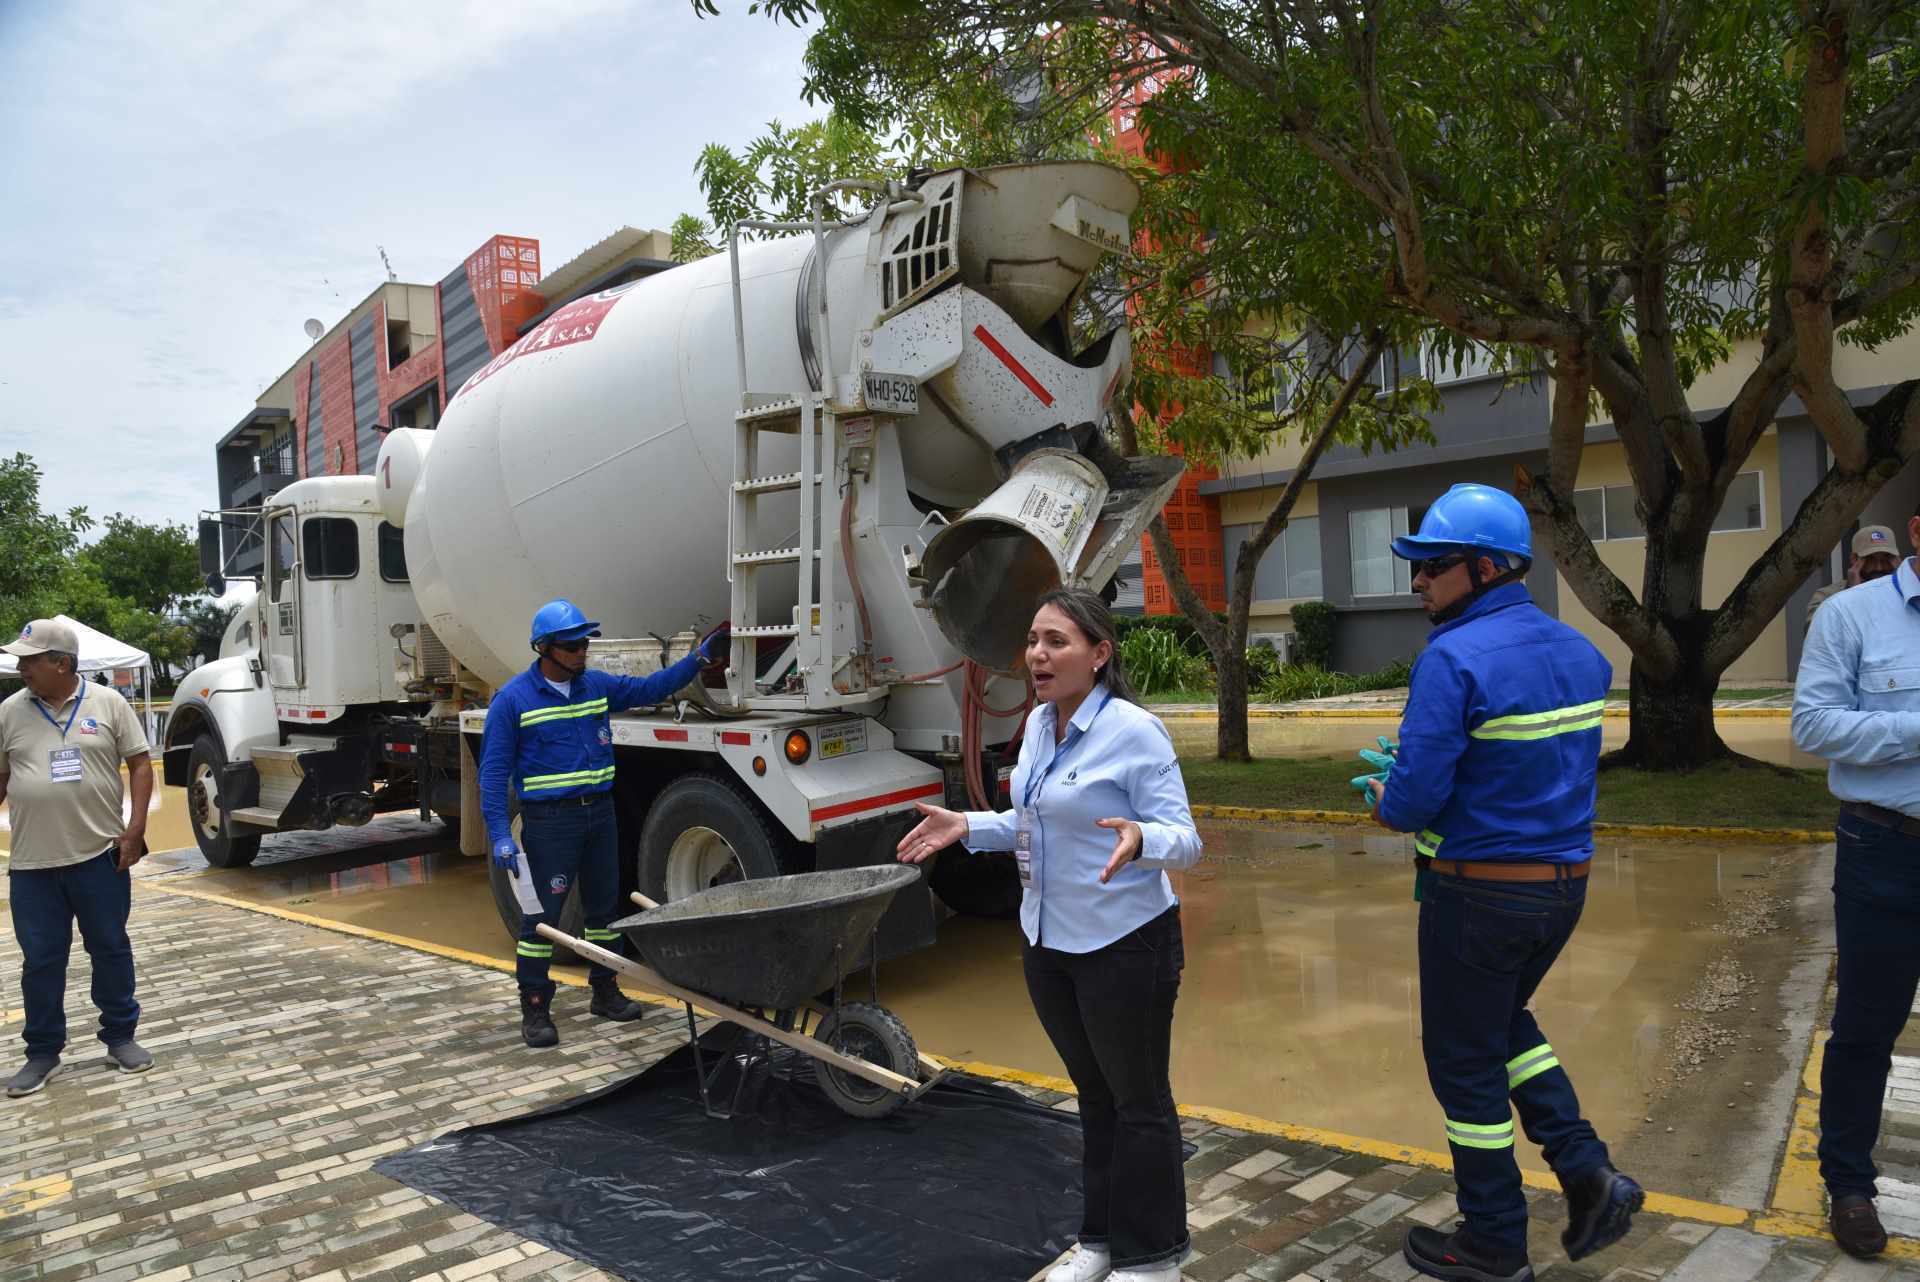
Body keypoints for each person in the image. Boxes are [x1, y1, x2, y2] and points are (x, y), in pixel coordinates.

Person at [1363, 485, 1641, 1282]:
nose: (1418, 581)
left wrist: (1390, 794)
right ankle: (1588, 1175)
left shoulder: (1449, 658)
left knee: (1464, 1062)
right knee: (1501, 1022)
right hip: (1562, 890)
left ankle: (1492, 1239)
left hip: (1476, 897)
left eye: (1431, 566)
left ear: (1483, 568)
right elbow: (1523, 772)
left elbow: (1414, 804)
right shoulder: (1580, 655)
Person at [897, 586, 1202, 1282]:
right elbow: (1035, 825)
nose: (1038, 653)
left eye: (1056, 641)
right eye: (1034, 639)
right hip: (1048, 944)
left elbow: (1187, 842)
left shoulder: (1134, 731)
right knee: (1093, 1097)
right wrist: (967, 826)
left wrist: (1141, 836)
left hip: (1126, 945)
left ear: (1099, 654)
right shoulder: (1038, 726)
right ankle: (1101, 1240)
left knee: (1139, 1101)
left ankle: (1155, 1257)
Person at [481, 600, 728, 1048]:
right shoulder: (513, 700)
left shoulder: (594, 685)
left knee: (603, 912)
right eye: (573, 645)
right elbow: (493, 775)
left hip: (599, 815)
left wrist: (698, 660)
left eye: (585, 643)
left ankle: (605, 990)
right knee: (541, 920)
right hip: (551, 823)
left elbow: (652, 688)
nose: (583, 652)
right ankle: (535, 1007)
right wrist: (500, 834)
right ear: (545, 648)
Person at [1789, 502, 1920, 1260]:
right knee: (1867, 1029)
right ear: (1916, 529)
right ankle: (1849, 1184)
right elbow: (1812, 725)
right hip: (1884, 848)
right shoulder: (1851, 616)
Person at [1, 618, 155, 1098]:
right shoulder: (8, 711)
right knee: (41, 961)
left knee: (110, 947)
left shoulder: (108, 703)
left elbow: (141, 763)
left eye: (31, 659)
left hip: (98, 857)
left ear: (61, 663)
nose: (21, 667)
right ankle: (43, 1052)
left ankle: (120, 1037)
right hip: (31, 865)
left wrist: (136, 830)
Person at [1808, 525, 1900, 624]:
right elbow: (1818, 634)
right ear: (1854, 559)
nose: (1879, 567)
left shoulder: (1908, 593)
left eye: (1886, 559)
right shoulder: (1826, 596)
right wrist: (1850, 593)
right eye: (1871, 559)